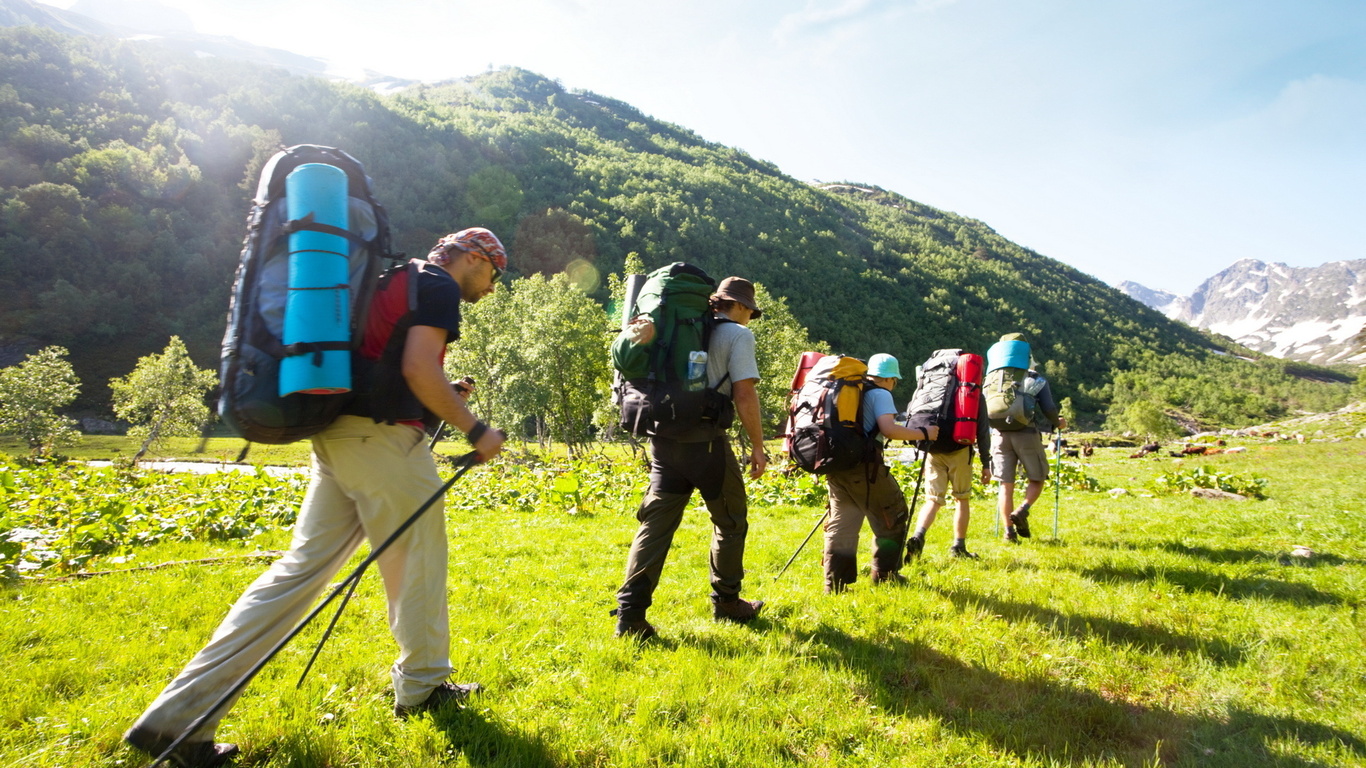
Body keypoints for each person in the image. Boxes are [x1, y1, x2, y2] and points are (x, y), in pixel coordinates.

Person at [124, 228, 510, 767]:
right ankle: (423, 688)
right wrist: (476, 428)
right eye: (493, 272)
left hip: (336, 437)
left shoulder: (391, 278)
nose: (491, 286)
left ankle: (175, 719)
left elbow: (386, 364)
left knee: (297, 574)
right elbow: (418, 368)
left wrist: (442, 396)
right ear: (472, 258)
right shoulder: (438, 285)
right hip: (382, 444)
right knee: (419, 565)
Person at [613, 276, 768, 640]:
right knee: (731, 522)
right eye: (750, 311)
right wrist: (758, 446)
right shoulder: (738, 335)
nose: (750, 318)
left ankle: (630, 617)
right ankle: (727, 602)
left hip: (664, 440)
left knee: (655, 527)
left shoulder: (680, 328)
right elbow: (744, 393)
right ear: (740, 306)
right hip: (706, 444)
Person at [822, 353, 937, 593]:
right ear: (890, 378)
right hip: (863, 467)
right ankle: (885, 576)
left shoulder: (850, 389)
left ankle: (834, 585)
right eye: (895, 380)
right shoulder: (881, 393)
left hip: (836, 464)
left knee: (843, 524)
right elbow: (889, 429)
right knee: (893, 514)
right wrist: (925, 433)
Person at [985, 333, 1065, 544]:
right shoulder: (1034, 378)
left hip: (999, 435)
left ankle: (1009, 533)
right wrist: (1057, 423)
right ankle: (1022, 510)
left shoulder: (991, 379)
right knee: (1037, 478)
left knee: (1005, 485)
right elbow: (1048, 408)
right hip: (1026, 433)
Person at [905, 385, 992, 560]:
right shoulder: (972, 391)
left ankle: (918, 536)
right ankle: (959, 547)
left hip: (934, 448)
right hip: (960, 449)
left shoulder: (932, 386)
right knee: (961, 498)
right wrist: (985, 463)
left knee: (933, 499)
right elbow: (982, 431)